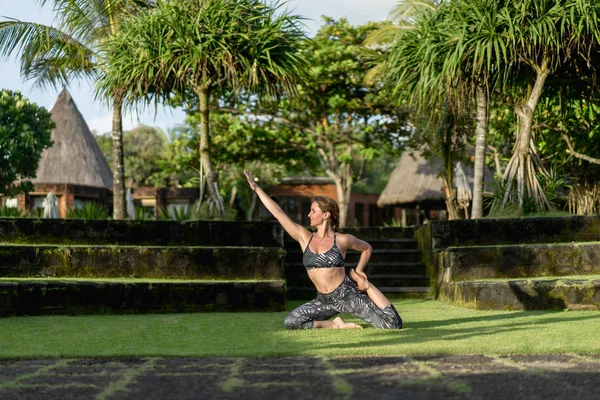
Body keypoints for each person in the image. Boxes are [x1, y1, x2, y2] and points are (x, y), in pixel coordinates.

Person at [244, 170, 402, 330]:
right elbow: (278, 213)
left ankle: (368, 287)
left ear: (326, 215)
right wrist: (256, 188)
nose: (309, 214)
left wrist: (360, 271)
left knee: (393, 324)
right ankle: (335, 324)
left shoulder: (342, 239)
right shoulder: (304, 237)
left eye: (313, 211)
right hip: (324, 301)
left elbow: (367, 248)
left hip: (347, 296)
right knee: (291, 322)